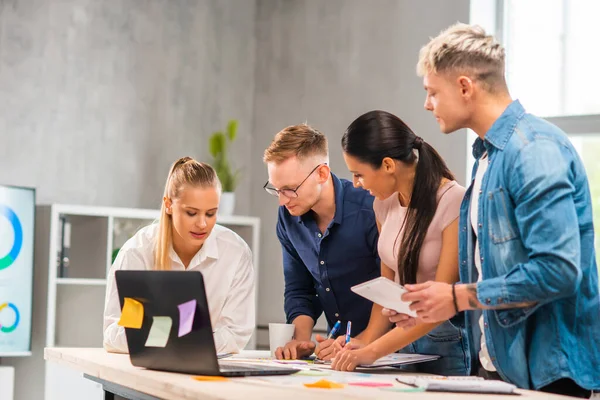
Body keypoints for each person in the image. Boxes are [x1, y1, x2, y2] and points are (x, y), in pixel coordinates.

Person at [401, 23, 600, 397]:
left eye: (432, 93)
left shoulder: (533, 151)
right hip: (499, 370)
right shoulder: (487, 159)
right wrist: (431, 305)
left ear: (464, 87)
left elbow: (559, 270)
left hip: (548, 376)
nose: (427, 105)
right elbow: (492, 274)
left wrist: (457, 296)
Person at [325, 110, 469, 375]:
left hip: (445, 343)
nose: (356, 184)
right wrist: (362, 342)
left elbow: (439, 303)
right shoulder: (383, 204)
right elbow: (387, 291)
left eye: (359, 174)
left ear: (389, 165)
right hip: (401, 342)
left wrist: (374, 351)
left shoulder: (453, 200)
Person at [103, 157, 255, 354]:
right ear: (168, 205)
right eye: (191, 213)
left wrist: (173, 338)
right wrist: (177, 336)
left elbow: (236, 335)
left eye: (210, 214)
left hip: (207, 372)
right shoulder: (137, 252)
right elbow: (114, 334)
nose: (202, 224)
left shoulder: (235, 253)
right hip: (147, 371)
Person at [263, 124, 380, 360]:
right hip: (337, 353)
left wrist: (365, 341)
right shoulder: (288, 216)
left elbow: (391, 286)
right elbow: (299, 289)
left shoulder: (370, 209)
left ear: (322, 174)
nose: (282, 201)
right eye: (276, 190)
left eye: (290, 189)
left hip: (388, 349)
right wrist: (301, 340)